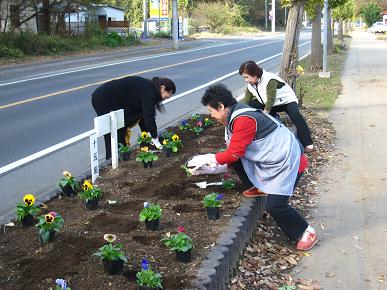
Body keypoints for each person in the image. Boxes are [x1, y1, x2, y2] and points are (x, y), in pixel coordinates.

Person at [187, 84, 317, 251]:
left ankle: (306, 231)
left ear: (221, 106)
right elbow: (235, 153)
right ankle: (256, 186)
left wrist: (210, 159)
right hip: (275, 159)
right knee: (235, 157)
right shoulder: (236, 114)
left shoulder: (243, 119)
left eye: (212, 111)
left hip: (289, 161)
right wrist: (213, 168)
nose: (212, 115)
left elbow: (233, 154)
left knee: (275, 205)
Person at [91, 76, 176, 160]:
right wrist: (155, 138)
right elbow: (148, 116)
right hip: (104, 98)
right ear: (162, 88)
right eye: (167, 95)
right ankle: (112, 160)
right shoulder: (149, 91)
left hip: (115, 99)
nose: (166, 98)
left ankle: (120, 157)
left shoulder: (149, 89)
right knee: (113, 131)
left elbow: (142, 116)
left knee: (120, 127)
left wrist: (147, 135)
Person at [238, 60, 314, 152]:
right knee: (251, 105)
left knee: (296, 116)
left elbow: (271, 100)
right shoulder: (251, 84)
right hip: (269, 103)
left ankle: (308, 144)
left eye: (247, 77)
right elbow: (246, 100)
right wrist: (238, 111)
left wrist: (265, 115)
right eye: (244, 78)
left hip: (286, 101)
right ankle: (261, 131)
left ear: (254, 73)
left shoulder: (269, 79)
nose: (246, 80)